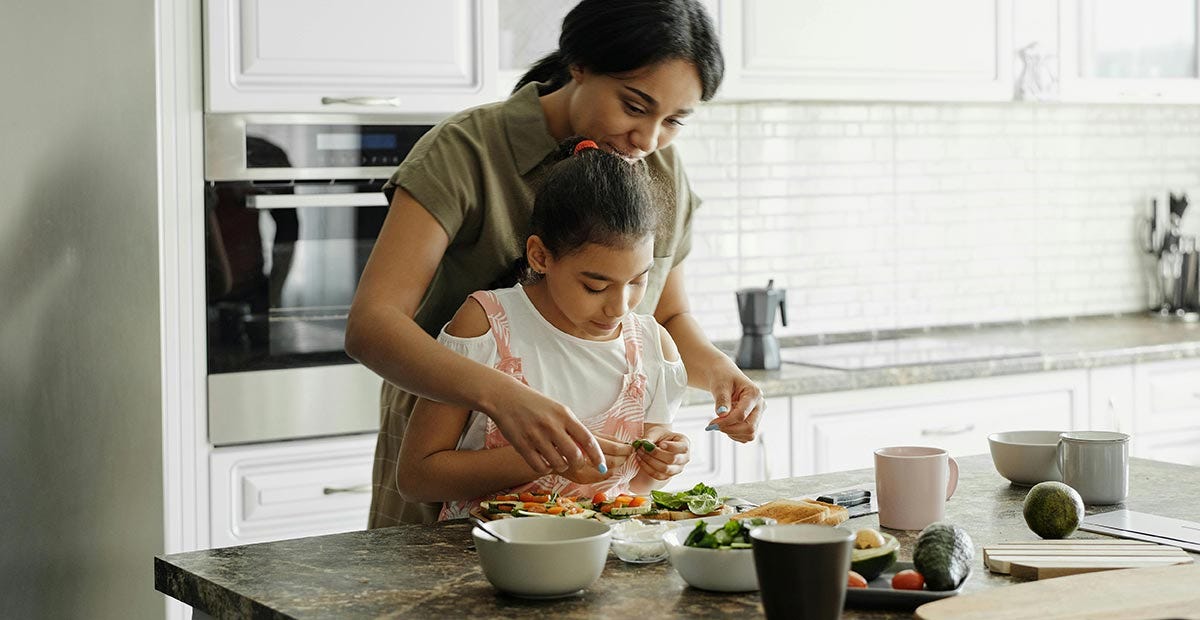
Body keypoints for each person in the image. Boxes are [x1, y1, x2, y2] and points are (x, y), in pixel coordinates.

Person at [345, 0, 766, 527]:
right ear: (579, 65)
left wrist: (724, 374)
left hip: (588, 505)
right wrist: (505, 398)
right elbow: (371, 326)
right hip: (452, 454)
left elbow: (667, 318)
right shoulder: (465, 151)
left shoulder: (657, 167)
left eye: (675, 120)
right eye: (635, 107)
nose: (649, 139)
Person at [396, 138, 691, 519]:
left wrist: (662, 464)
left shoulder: (652, 347)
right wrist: (545, 459)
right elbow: (417, 478)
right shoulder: (487, 326)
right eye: (595, 286)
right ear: (540, 256)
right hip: (484, 560)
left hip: (604, 560)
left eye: (638, 281)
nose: (620, 306)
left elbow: (637, 488)